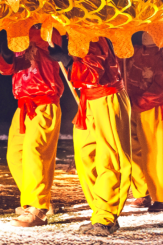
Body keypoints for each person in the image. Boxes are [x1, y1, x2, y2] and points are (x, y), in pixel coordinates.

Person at [50, 37, 131, 236]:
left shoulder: (93, 34)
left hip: (106, 97)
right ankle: (99, 212)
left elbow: (94, 73)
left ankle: (106, 217)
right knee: (86, 157)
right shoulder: (70, 33)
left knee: (109, 159)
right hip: (89, 101)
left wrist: (68, 61)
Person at [0, 26, 64, 227]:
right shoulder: (15, 36)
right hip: (23, 105)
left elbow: (53, 46)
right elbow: (5, 69)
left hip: (45, 101)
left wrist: (27, 33)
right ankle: (37, 198)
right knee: (15, 155)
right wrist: (7, 52)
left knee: (36, 151)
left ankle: (37, 206)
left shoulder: (46, 30)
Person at [123, 30, 163, 212]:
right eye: (145, 30)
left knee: (154, 153)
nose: (146, 33)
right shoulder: (134, 51)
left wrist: (139, 102)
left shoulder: (161, 59)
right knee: (133, 150)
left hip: (150, 107)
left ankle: (162, 198)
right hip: (131, 105)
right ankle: (141, 191)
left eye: (153, 30)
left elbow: (160, 89)